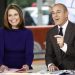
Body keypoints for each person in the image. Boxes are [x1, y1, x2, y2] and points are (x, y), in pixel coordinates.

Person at [0, 3, 34, 72]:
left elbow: (29, 53)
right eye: (10, 15)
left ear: (20, 16)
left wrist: (27, 65)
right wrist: (1, 65)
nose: (13, 18)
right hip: (5, 70)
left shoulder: (28, 33)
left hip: (22, 70)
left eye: (15, 14)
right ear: (7, 17)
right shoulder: (2, 32)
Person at [45, 3, 75, 71]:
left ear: (66, 14)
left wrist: (63, 46)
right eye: (53, 13)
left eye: (58, 12)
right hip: (57, 72)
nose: (55, 15)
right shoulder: (50, 32)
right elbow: (48, 55)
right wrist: (51, 64)